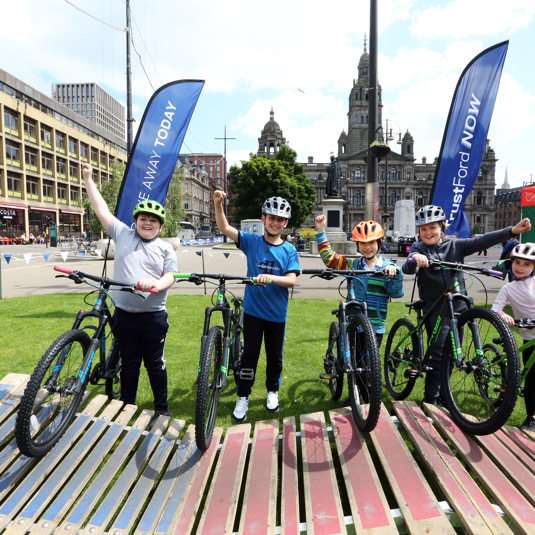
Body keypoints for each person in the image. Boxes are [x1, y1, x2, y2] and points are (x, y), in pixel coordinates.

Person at [402, 204, 531, 406]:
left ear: (442, 228)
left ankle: (444, 394)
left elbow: (482, 240)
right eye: (424, 229)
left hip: (458, 307)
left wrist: (512, 231)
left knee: (455, 353)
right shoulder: (420, 248)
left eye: (433, 228)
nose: (428, 232)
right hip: (435, 308)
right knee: (437, 355)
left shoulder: (456, 246)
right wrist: (415, 259)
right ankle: (430, 400)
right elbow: (408, 267)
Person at [81, 162, 177, 417]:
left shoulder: (165, 248)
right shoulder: (123, 234)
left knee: (155, 364)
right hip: (124, 314)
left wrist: (156, 285)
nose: (147, 223)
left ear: (160, 226)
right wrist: (88, 179)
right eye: (143, 219)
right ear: (135, 221)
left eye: (153, 220)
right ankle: (126, 407)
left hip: (153, 317)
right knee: (130, 365)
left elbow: (170, 276)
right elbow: (101, 209)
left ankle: (161, 408)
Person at [213, 191, 300, 422]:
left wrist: (269, 278)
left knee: (275, 358)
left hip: (276, 315)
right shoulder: (251, 242)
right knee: (249, 356)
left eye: (280, 219)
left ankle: (272, 391)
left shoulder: (289, 250)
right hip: (253, 313)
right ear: (263, 219)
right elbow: (224, 228)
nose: (275, 222)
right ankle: (243, 396)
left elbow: (291, 280)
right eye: (271, 217)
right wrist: (218, 204)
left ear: (286, 223)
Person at [315, 216, 404, 347]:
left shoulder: (387, 267)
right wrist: (321, 230)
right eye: (362, 243)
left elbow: (396, 293)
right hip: (353, 323)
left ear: (379, 243)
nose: (367, 247)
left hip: (375, 325)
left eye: (371, 242)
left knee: (370, 364)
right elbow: (330, 259)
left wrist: (395, 272)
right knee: (354, 360)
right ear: (357, 245)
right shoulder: (353, 264)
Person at [491, 242, 535, 431]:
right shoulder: (508, 288)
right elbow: (495, 310)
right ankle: (531, 417)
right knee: (531, 378)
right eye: (517, 262)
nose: (520, 267)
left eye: (527, 264)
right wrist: (503, 315)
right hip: (529, 336)